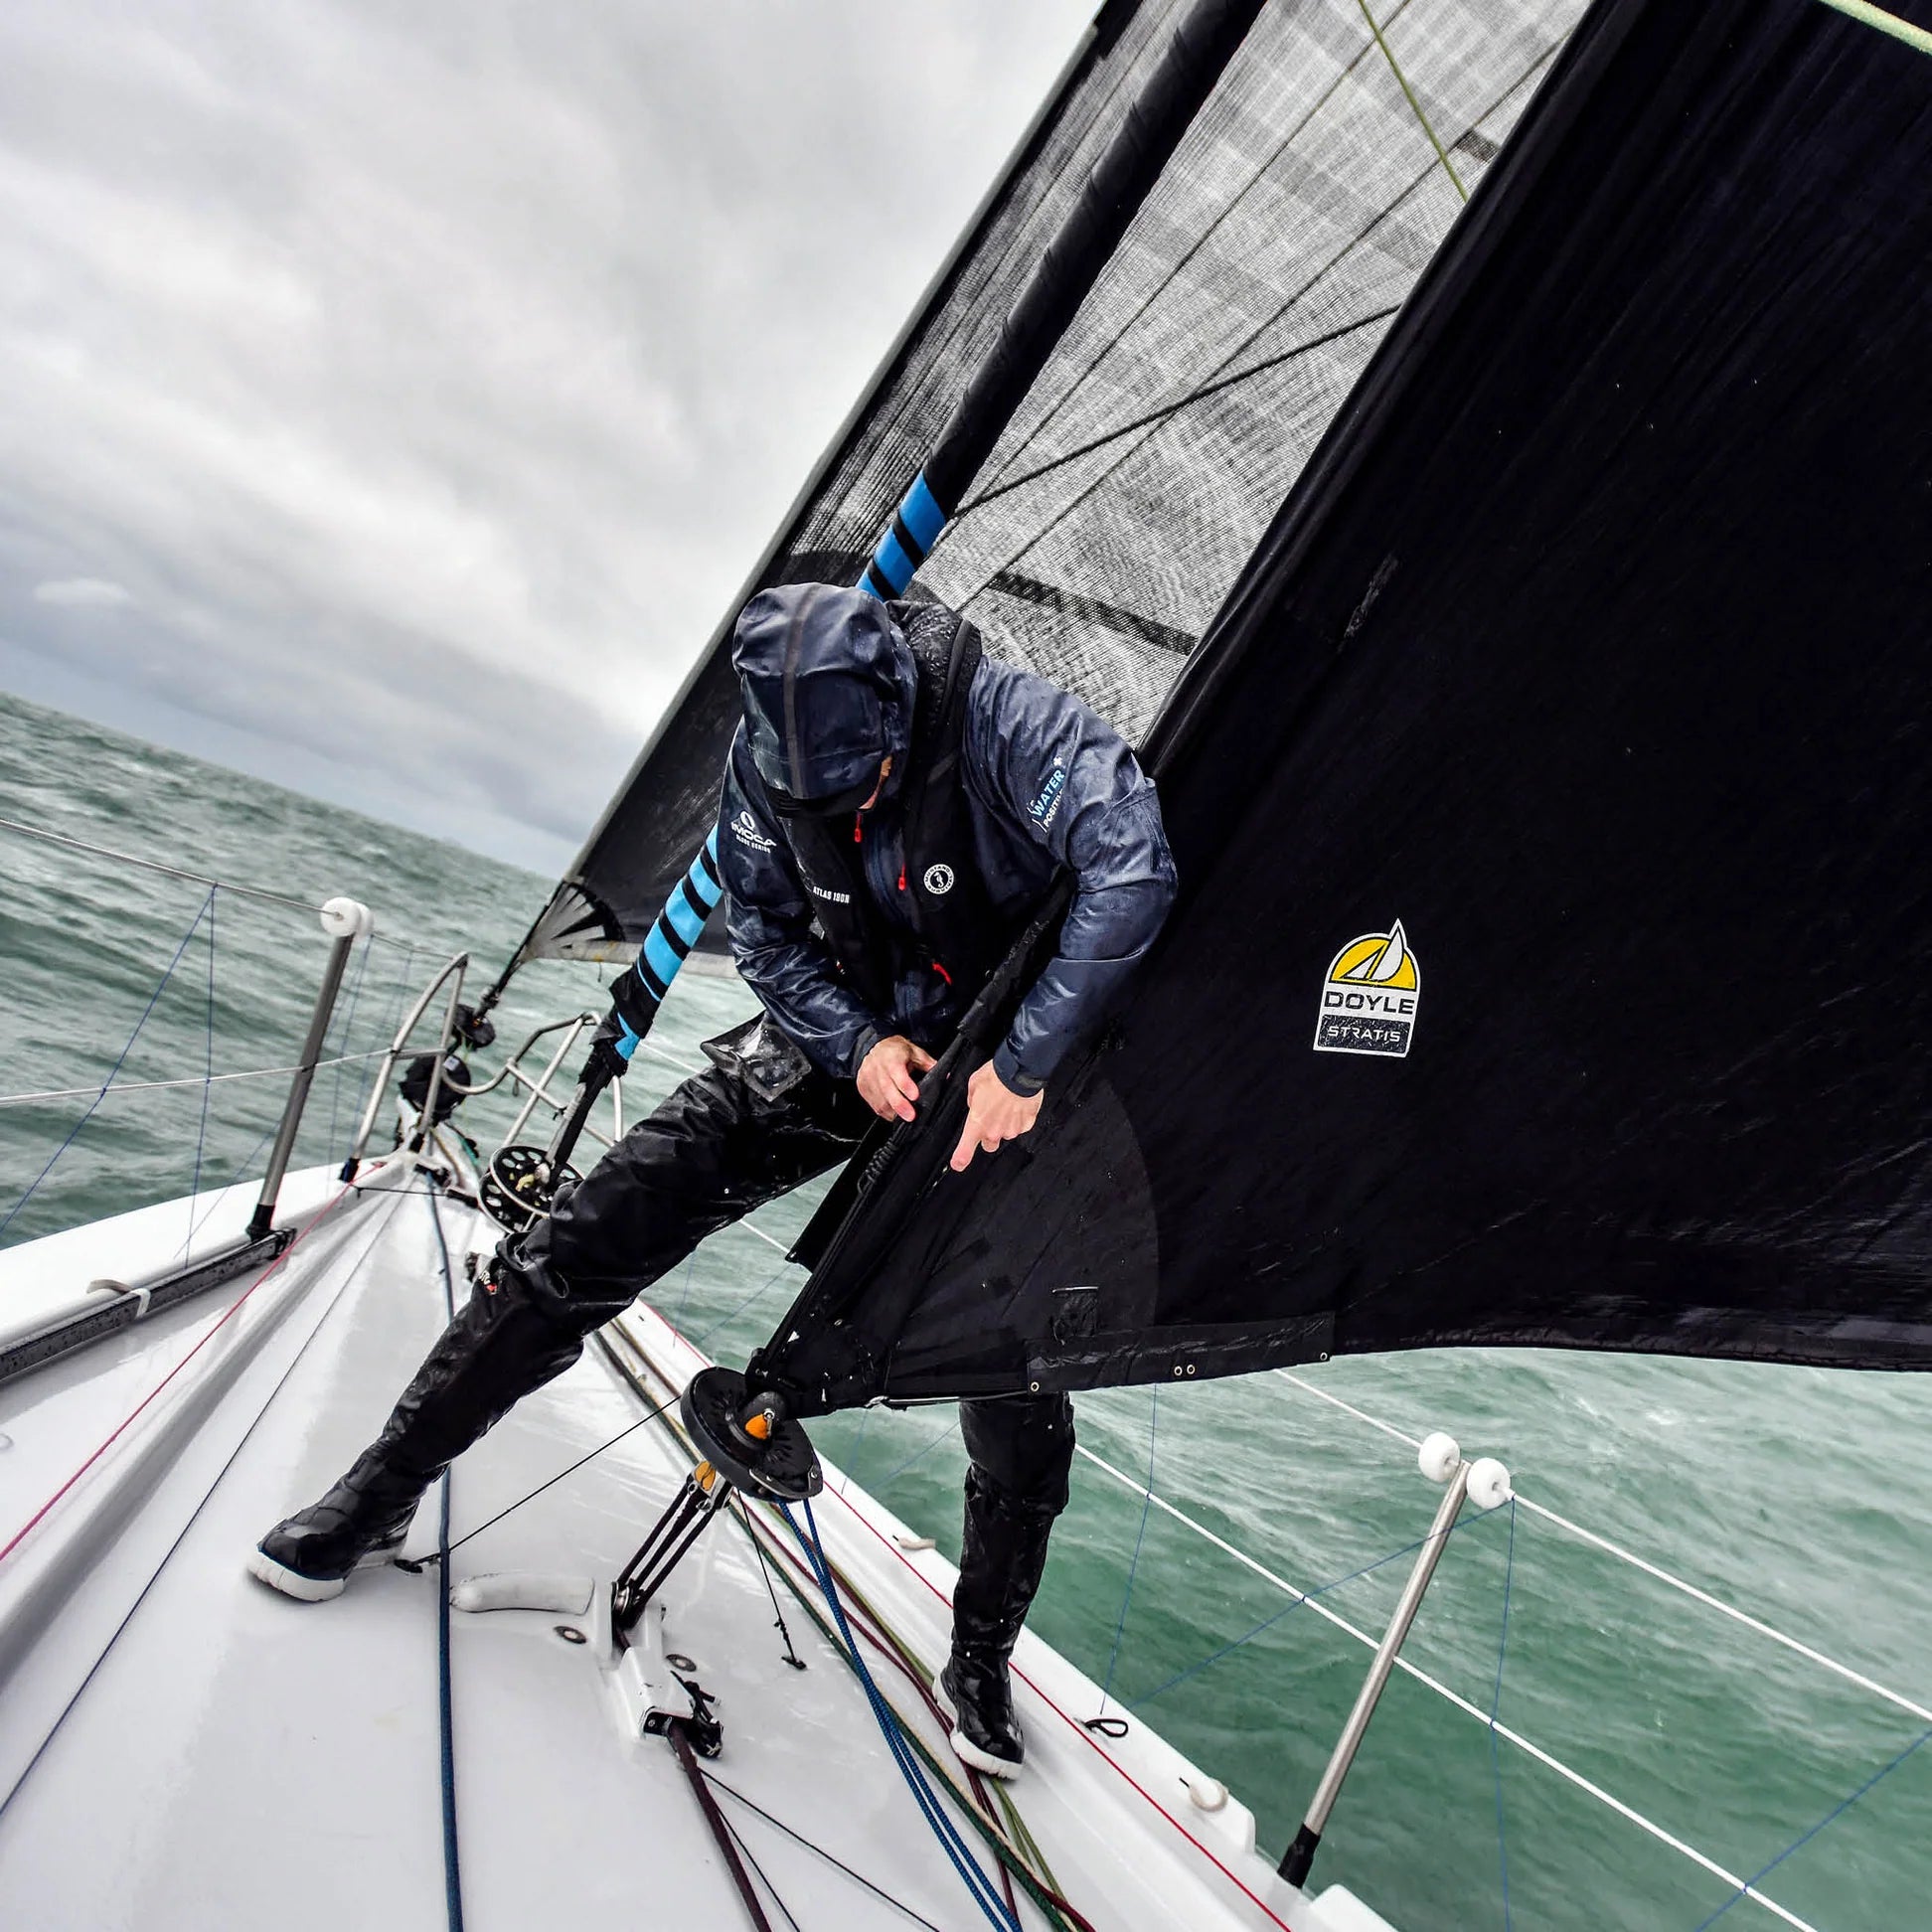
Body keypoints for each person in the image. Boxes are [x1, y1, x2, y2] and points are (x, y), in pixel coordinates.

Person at [249, 582, 1176, 1778]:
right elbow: (769, 935)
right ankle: (377, 1495)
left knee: (1011, 1372)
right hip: (848, 1044)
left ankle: (979, 1659)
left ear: (896, 709)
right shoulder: (761, 767)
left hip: (1000, 1076)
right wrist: (855, 1043)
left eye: (862, 786)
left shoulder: (1012, 722)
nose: (845, 812)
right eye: (816, 798)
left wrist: (1024, 1061)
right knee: (583, 1237)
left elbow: (1132, 870)